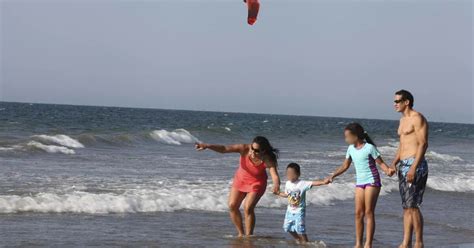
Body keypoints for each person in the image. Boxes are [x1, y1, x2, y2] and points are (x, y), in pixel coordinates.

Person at [195, 136, 281, 237]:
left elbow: (274, 174)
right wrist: (207, 146)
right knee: (232, 206)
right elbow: (224, 149)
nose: (252, 152)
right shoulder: (244, 148)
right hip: (240, 180)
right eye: (252, 148)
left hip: (257, 183)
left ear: (263, 151)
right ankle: (241, 234)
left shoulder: (268, 158)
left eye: (256, 151)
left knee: (248, 207)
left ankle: (249, 236)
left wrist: (276, 184)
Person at [326, 123, 394, 248]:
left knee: (369, 212)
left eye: (347, 136)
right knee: (358, 213)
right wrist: (333, 175)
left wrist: (388, 171)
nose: (345, 139)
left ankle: (368, 244)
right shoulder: (350, 149)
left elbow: (381, 163)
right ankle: (358, 244)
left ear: (355, 136)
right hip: (360, 182)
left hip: (372, 181)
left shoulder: (369, 148)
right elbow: (345, 166)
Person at [390, 90, 429, 248]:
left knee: (413, 207)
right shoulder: (402, 121)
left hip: (415, 165)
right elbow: (402, 145)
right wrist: (394, 162)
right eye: (394, 101)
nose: (395, 104)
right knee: (406, 207)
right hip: (403, 165)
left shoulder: (417, 118)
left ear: (407, 102)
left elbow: (423, 144)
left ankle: (418, 243)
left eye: (398, 101)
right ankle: (405, 243)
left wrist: (413, 167)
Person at [276, 163, 330, 244]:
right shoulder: (287, 183)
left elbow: (313, 183)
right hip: (289, 211)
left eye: (292, 173)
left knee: (300, 229)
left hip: (299, 211)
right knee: (287, 228)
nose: (289, 175)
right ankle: (298, 239)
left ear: (298, 174)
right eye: (288, 173)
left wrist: (324, 182)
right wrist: (278, 193)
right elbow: (287, 195)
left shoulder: (302, 183)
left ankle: (306, 243)